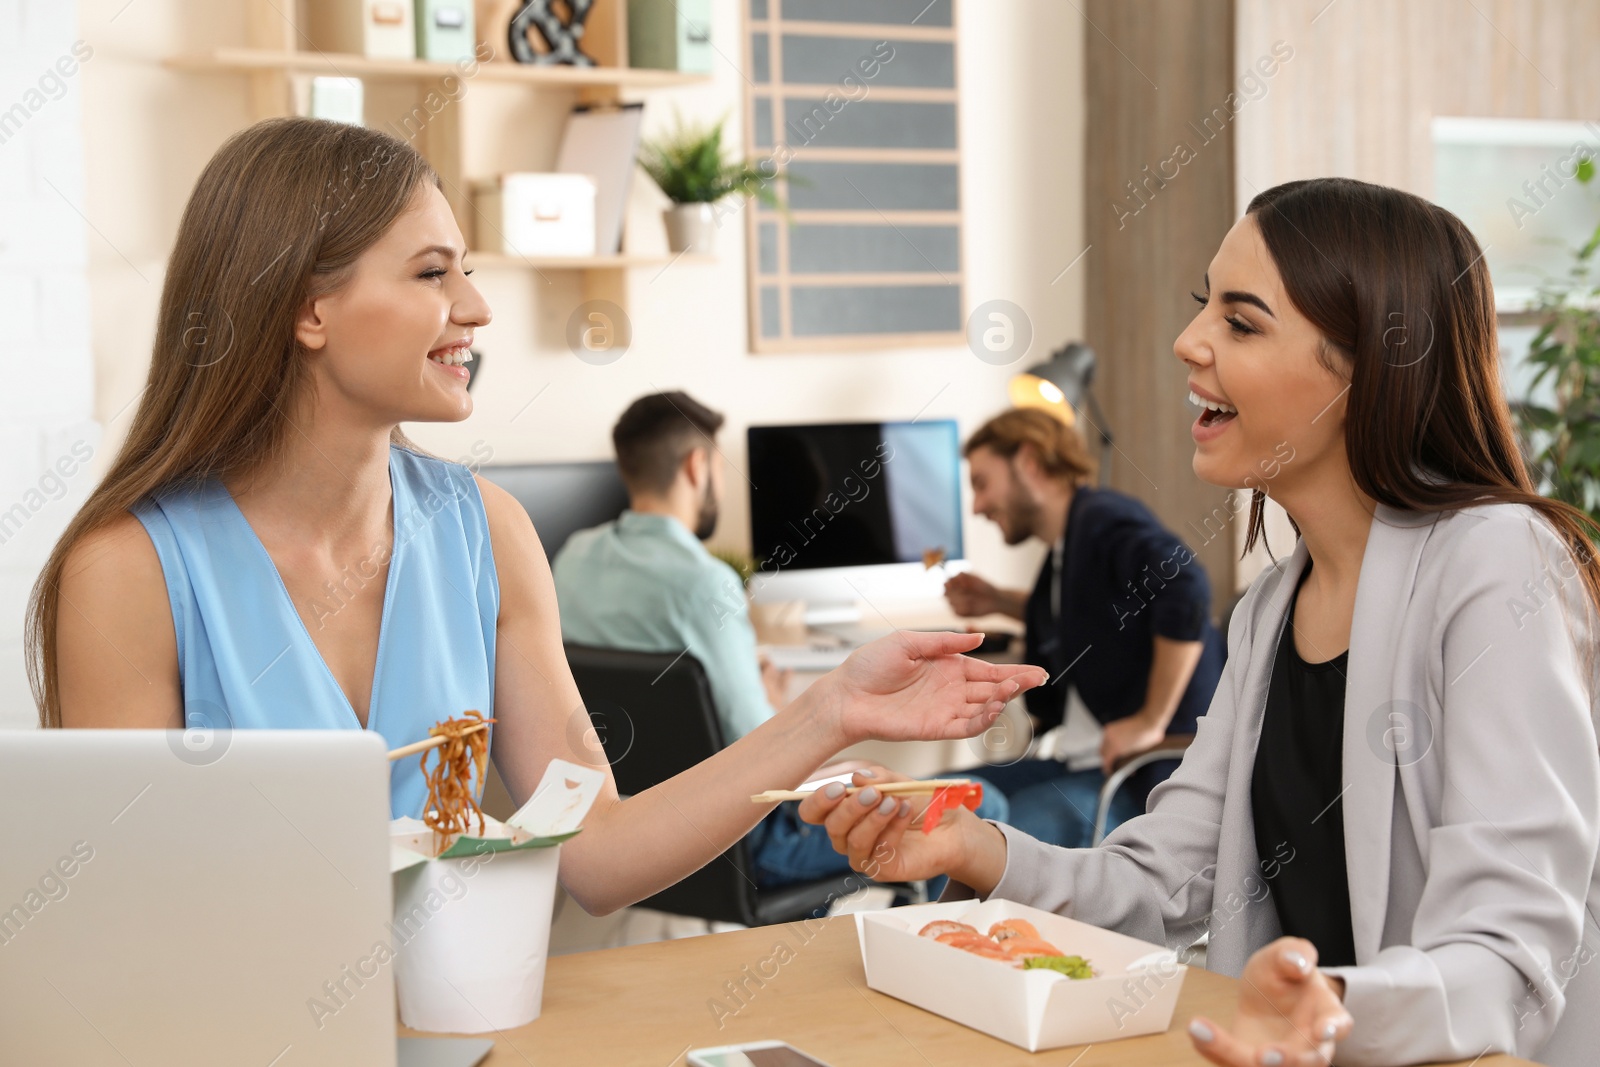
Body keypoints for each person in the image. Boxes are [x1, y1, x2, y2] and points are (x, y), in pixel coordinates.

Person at [27, 117, 1047, 920]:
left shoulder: (490, 532)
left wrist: (829, 711)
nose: (476, 307)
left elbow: (596, 851)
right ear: (308, 309)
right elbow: (129, 917)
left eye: (466, 268)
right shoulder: (130, 572)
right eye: (433, 272)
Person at [799, 177, 1600, 1067]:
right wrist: (970, 843)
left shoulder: (1496, 562)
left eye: (1242, 321)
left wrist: (1329, 1005)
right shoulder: (1269, 609)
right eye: (1202, 308)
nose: (1188, 342)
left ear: (1372, 364)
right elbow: (1165, 879)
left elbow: (1512, 956)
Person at [552, 390, 1009, 890]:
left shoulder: (572, 558)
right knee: (982, 801)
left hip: (629, 834)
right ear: (696, 467)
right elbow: (769, 756)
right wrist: (773, 706)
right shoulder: (702, 585)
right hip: (744, 842)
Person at [943, 408, 1224, 847]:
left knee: (965, 840)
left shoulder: (1104, 520)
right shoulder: (1065, 552)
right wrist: (997, 600)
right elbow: (1088, 616)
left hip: (1134, 776)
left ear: (1029, 462)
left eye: (981, 484)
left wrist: (1150, 720)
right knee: (933, 799)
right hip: (1077, 764)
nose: (977, 506)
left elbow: (1184, 587)